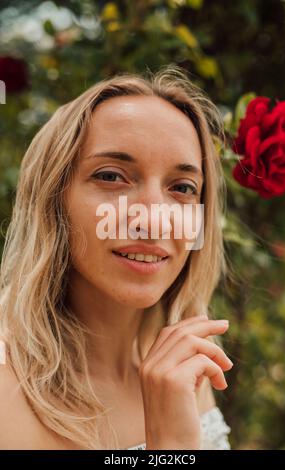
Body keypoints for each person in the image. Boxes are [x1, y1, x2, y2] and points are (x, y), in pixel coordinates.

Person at [0, 65, 233, 450]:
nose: (154, 218)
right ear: (53, 200)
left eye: (182, 187)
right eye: (111, 177)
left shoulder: (180, 368)